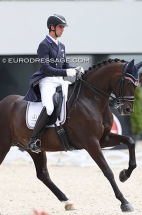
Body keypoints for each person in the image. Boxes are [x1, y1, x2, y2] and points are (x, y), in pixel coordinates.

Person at [23, 14, 84, 153]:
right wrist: (66, 73)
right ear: (52, 27)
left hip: (60, 81)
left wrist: (74, 68)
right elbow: (46, 68)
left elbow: (64, 64)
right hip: (48, 81)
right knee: (49, 108)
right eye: (60, 27)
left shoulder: (61, 45)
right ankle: (34, 140)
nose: (63, 30)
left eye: (63, 27)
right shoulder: (44, 45)